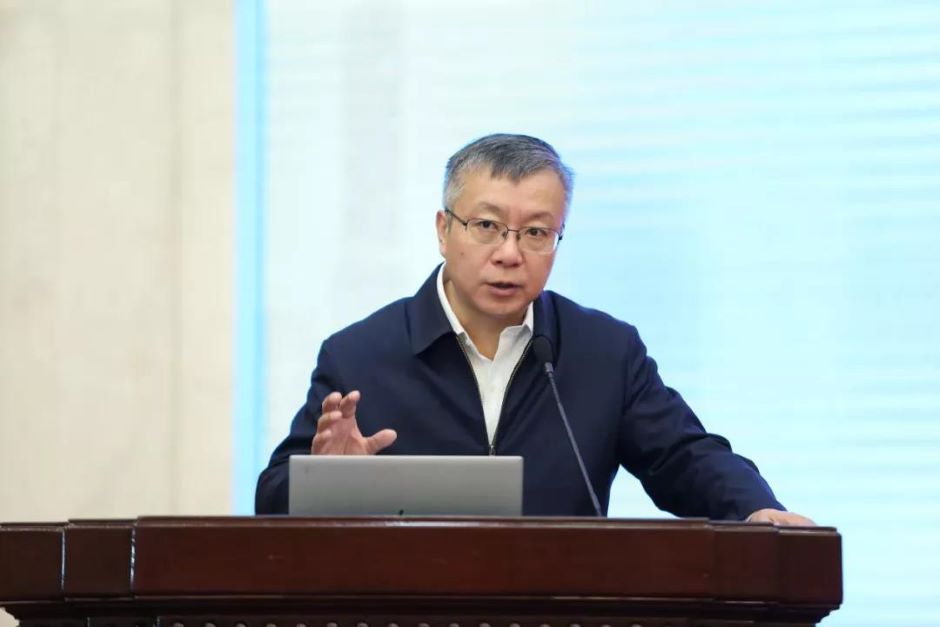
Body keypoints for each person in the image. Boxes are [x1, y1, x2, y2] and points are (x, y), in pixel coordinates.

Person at [255, 133, 813, 525]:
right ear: (443, 230)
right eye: (487, 225)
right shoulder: (361, 355)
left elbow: (684, 457)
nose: (509, 253)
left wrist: (755, 508)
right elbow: (272, 498)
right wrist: (326, 481)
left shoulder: (604, 352)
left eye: (536, 233)